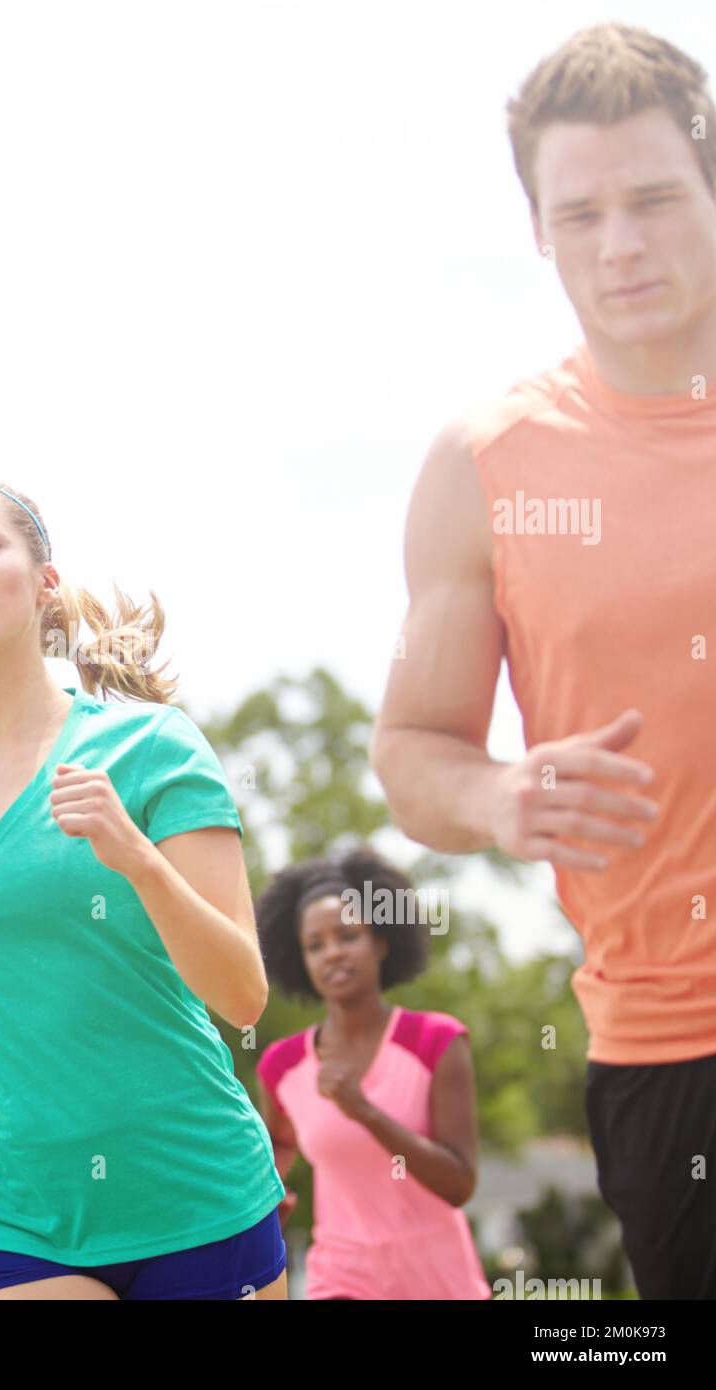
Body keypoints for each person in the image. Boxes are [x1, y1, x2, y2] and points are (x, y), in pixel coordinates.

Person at [370, 22, 716, 1299]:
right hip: (672, 1052)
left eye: (652, 200)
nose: (618, 244)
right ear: (536, 229)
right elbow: (410, 751)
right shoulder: (482, 469)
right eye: (579, 214)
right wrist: (503, 796)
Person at [0, 474, 287, 1300]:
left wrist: (137, 859)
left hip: (191, 1193)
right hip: (11, 1209)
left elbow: (243, 994)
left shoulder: (154, 748)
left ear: (45, 583)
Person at [253, 847, 491, 1300]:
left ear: (381, 942)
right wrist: (266, 1202)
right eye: (315, 945)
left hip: (438, 1282)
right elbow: (278, 1146)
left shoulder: (436, 1041)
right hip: (340, 1279)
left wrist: (365, 1112)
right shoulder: (282, 1067)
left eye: (347, 935)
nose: (332, 954)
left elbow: (459, 1184)